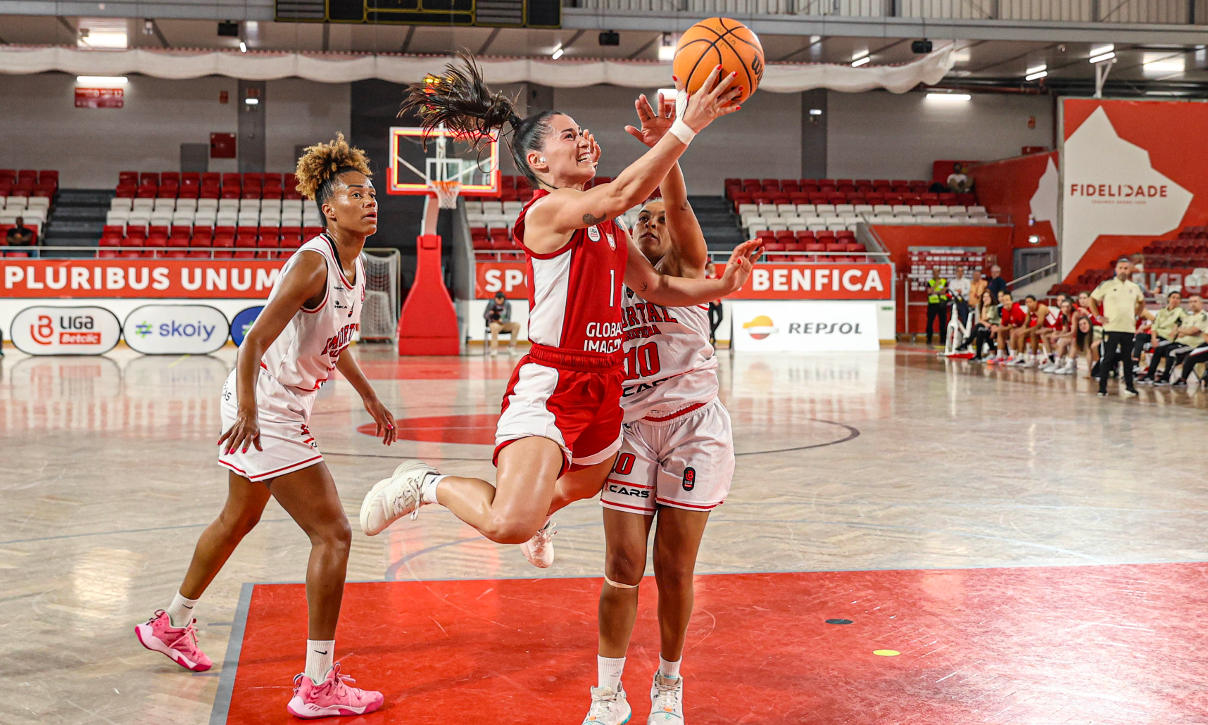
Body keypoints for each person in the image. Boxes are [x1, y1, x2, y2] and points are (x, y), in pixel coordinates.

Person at [359, 53, 760, 571]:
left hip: (605, 379)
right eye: (568, 135)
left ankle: (540, 512)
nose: (584, 138)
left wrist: (717, 286)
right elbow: (620, 194)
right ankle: (425, 485)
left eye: (582, 131)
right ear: (539, 163)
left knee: (589, 481)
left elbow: (656, 285)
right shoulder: (546, 211)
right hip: (555, 380)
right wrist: (687, 126)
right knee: (508, 525)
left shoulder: (608, 227)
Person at [134, 135, 394, 719]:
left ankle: (170, 625)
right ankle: (318, 684)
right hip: (267, 408)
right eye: (357, 194)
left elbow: (337, 345)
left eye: (372, 192)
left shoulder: (354, 267)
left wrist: (371, 398)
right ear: (330, 208)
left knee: (239, 517)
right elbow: (252, 338)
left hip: (274, 405)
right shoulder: (312, 261)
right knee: (334, 534)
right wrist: (250, 406)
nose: (370, 200)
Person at [582, 97, 736, 725]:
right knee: (622, 565)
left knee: (674, 569)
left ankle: (668, 683)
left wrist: (669, 148)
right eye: (637, 218)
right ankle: (606, 692)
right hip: (633, 431)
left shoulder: (689, 267)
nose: (649, 223)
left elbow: (673, 204)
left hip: (694, 429)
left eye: (658, 219)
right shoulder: (615, 276)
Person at [1085, 257, 1144, 397]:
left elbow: (1141, 302)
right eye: (1121, 268)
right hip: (1111, 328)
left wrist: (1136, 316)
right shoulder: (1107, 285)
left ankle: (1129, 387)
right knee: (1108, 358)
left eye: (1126, 268)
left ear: (1130, 270)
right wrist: (1098, 316)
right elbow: (1092, 300)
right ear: (1116, 270)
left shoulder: (1134, 287)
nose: (1123, 271)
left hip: (1128, 329)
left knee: (1127, 359)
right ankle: (1102, 388)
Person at [1151, 294, 1207, 386]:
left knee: (1171, 351)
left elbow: (1193, 331)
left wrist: (1182, 331)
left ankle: (1166, 377)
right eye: (1190, 302)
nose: (1193, 304)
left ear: (1201, 303)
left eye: (1195, 301)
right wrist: (1183, 331)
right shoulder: (1189, 317)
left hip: (1192, 345)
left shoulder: (1204, 316)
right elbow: (1181, 332)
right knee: (1159, 348)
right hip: (1180, 342)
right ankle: (1150, 374)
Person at [1135, 291, 1184, 383]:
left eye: (1178, 298)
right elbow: (1154, 326)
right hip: (1158, 336)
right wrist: (1153, 338)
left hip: (1168, 338)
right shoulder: (1161, 312)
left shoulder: (1181, 312)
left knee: (1158, 348)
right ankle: (1135, 363)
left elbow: (1184, 323)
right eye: (1173, 297)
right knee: (1140, 336)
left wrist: (1177, 329)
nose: (1175, 300)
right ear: (1169, 299)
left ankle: (1150, 375)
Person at [1042, 298, 1078, 374]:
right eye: (1063, 307)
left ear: (1071, 307)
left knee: (1068, 340)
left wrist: (1060, 336)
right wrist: (1058, 335)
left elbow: (1073, 332)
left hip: (1082, 334)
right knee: (1061, 340)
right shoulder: (1064, 316)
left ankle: (1069, 365)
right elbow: (1065, 330)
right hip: (1074, 335)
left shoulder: (1075, 314)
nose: (1065, 309)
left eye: (1067, 306)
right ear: (1061, 308)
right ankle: (1057, 363)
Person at [990, 290, 1025, 364]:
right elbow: (1003, 324)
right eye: (1004, 300)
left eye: (1007, 300)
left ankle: (1012, 356)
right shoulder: (1004, 309)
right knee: (1000, 332)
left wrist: (1001, 328)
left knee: (1012, 331)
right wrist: (997, 329)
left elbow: (1013, 326)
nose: (1005, 302)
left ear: (1011, 301)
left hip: (1023, 328)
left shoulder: (1016, 308)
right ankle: (999, 356)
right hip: (1013, 328)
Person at [484, 290, 520, 354]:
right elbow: (485, 316)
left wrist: (502, 321)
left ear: (504, 299)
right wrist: (490, 314)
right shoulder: (491, 303)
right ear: (495, 298)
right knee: (494, 327)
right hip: (494, 324)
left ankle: (511, 347)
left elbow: (508, 318)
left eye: (501, 300)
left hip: (504, 323)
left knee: (517, 325)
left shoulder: (508, 304)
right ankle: (494, 349)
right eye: (497, 299)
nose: (499, 301)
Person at [970, 290, 999, 361]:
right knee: (980, 329)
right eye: (984, 297)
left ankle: (968, 343)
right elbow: (981, 320)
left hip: (995, 327)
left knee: (981, 329)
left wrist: (984, 307)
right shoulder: (983, 307)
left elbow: (984, 318)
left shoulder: (993, 307)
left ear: (991, 298)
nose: (985, 298)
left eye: (987, 297)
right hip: (989, 327)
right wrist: (985, 323)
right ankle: (978, 354)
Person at [924, 268, 948, 347]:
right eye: (934, 272)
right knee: (930, 322)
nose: (935, 274)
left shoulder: (944, 281)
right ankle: (929, 339)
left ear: (939, 272)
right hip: (932, 304)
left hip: (942, 304)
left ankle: (943, 340)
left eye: (937, 272)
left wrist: (935, 291)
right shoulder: (930, 282)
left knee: (943, 323)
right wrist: (936, 285)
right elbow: (929, 291)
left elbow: (944, 291)